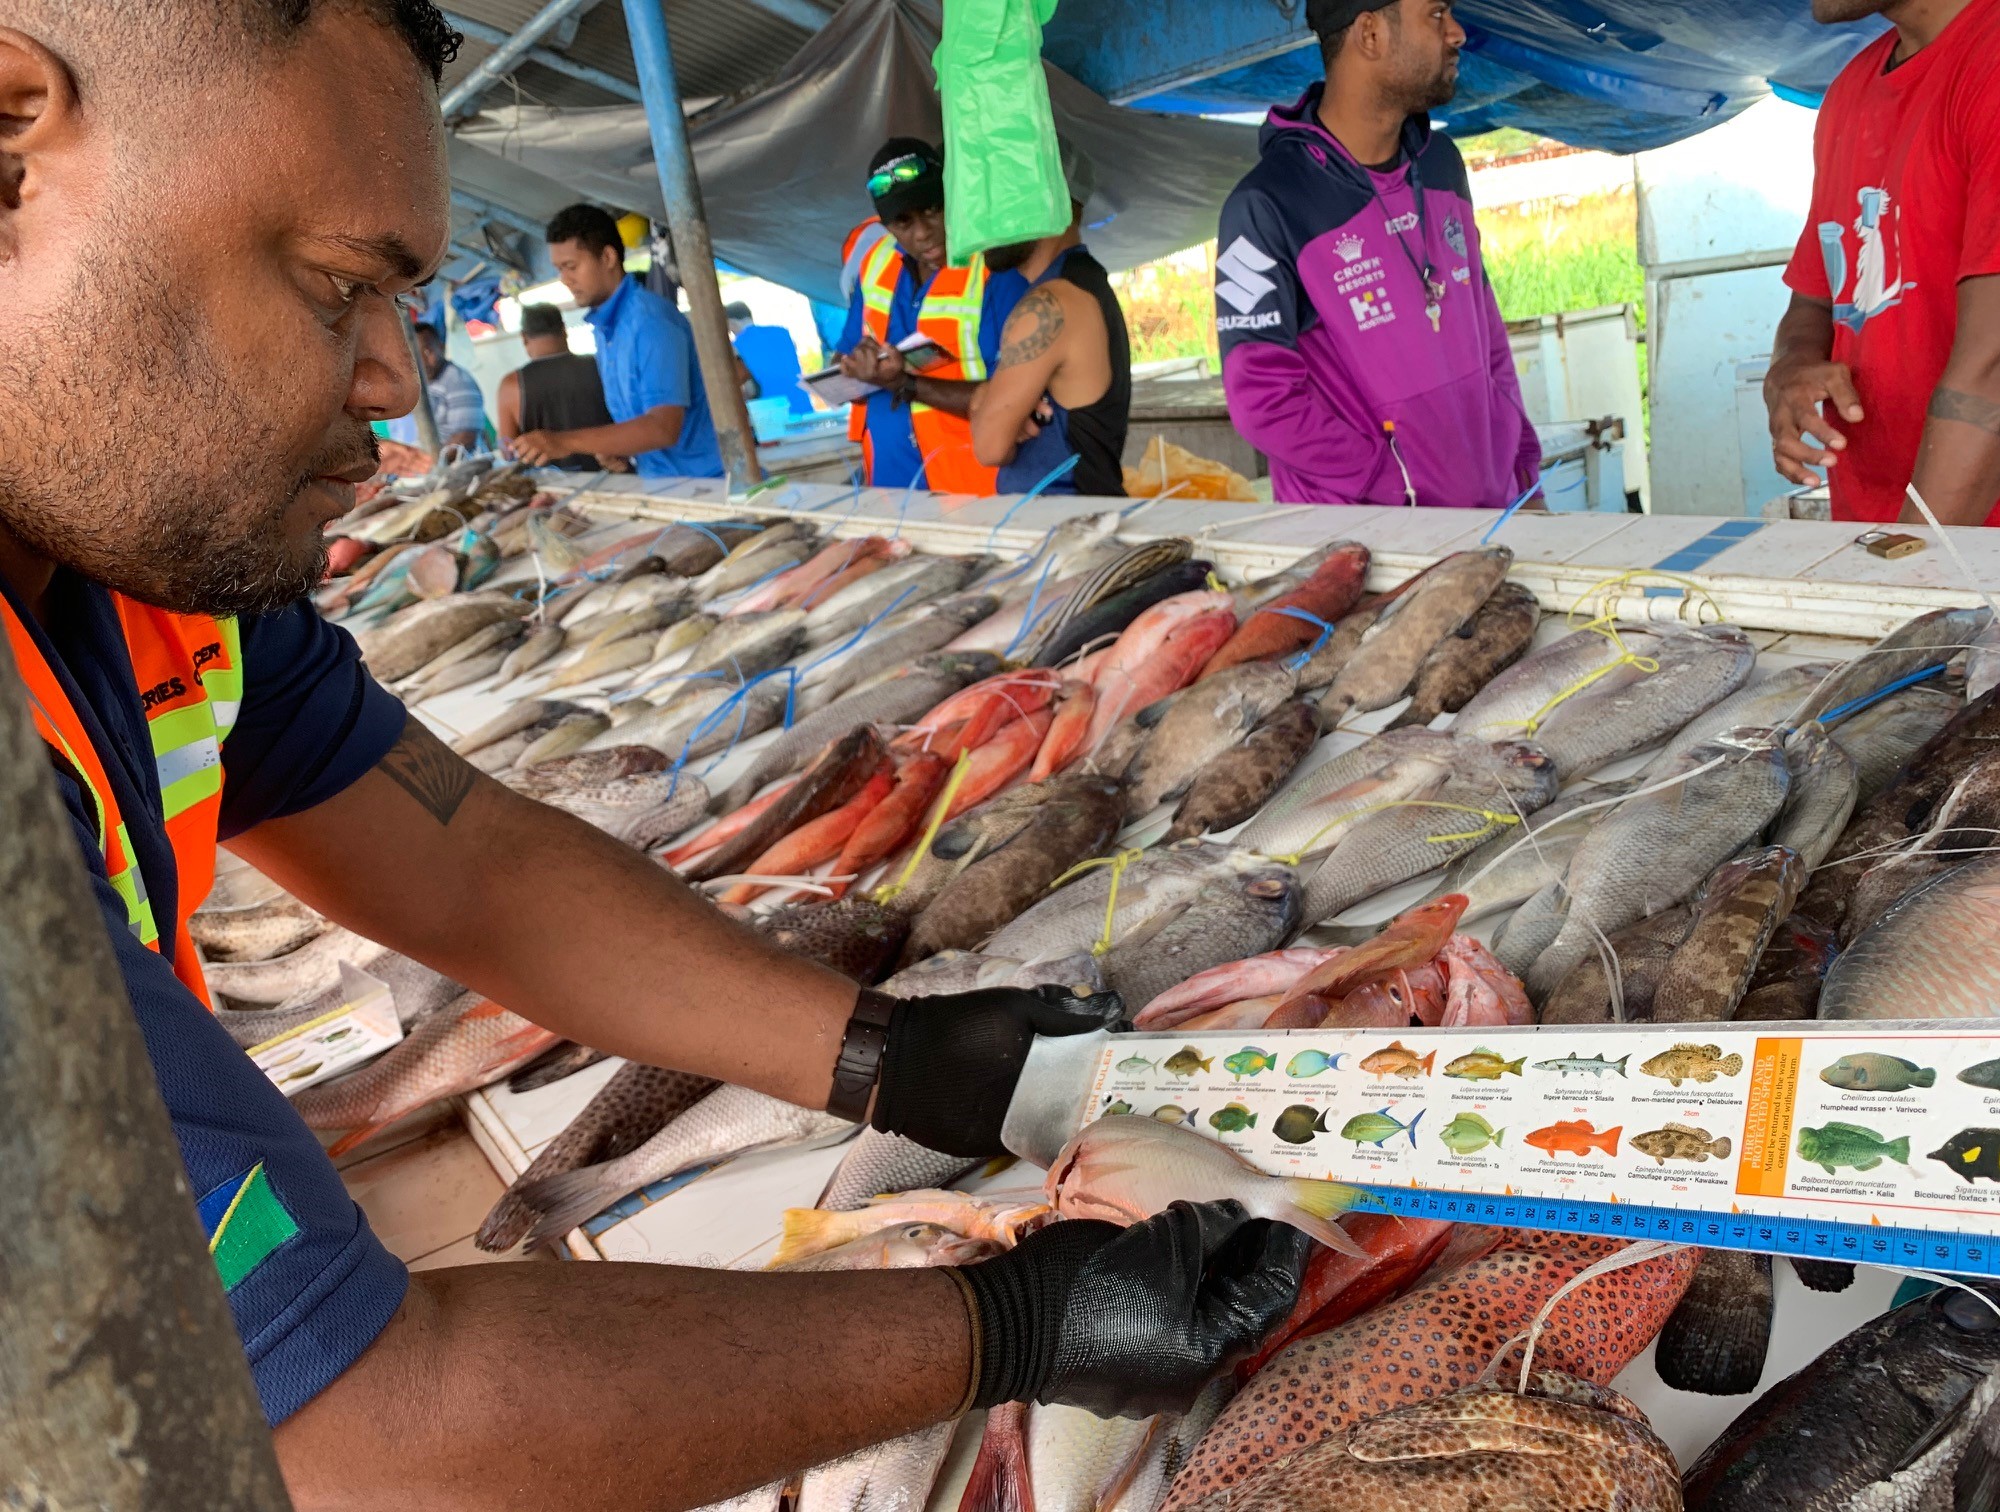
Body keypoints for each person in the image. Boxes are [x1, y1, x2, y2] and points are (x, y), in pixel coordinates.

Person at [0, 5, 1311, 1505]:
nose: (389, 378)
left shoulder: (133, 576)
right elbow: (370, 1433)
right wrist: (1015, 1318)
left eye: (402, 302)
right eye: (336, 285)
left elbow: (466, 858)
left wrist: (887, 1057)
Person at [1213, 0, 1540, 510]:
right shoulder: (1268, 205)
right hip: (1371, 550)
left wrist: (1523, 469)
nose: (1456, 33)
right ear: (1370, 34)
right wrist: (1389, 480)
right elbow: (1262, 399)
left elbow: (1486, 332)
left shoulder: (1441, 165)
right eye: (1435, 14)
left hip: (1490, 518)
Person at [1764, 0, 2000, 527]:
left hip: (1985, 566)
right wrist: (1790, 365)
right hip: (1885, 541)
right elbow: (1816, 298)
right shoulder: (1850, 90)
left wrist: (1910, 579)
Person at [836, 137, 1030, 492]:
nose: (923, 232)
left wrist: (903, 384)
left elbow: (1018, 398)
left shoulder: (996, 269)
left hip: (978, 490)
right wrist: (855, 368)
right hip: (893, 488)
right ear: (887, 226)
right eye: (903, 222)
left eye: (933, 209)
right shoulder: (875, 264)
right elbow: (843, 354)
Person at [969, 139, 1133, 497]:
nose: (983, 220)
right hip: (1073, 519)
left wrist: (986, 403)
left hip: (1066, 524)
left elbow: (989, 447)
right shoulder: (1082, 282)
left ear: (1050, 200)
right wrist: (987, 397)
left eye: (1002, 201)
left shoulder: (1049, 303)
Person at [512, 203, 723, 479]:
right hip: (662, 483)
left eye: (571, 266)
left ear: (608, 257)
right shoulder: (604, 329)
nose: (565, 279)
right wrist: (623, 451)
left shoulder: (650, 322)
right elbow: (644, 425)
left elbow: (663, 428)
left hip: (707, 485)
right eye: (559, 269)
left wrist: (562, 442)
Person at [496, 301, 612, 472]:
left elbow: (508, 451)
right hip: (614, 475)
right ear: (564, 330)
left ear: (524, 337)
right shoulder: (601, 365)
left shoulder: (512, 384)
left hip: (551, 488)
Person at [383, 320, 486, 454]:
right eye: (414, 354)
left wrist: (430, 465)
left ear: (442, 347)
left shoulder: (459, 381)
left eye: (427, 351)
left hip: (453, 467)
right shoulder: (408, 384)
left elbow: (466, 437)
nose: (422, 360)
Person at [727, 300, 813, 415]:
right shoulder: (782, 333)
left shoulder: (736, 347)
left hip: (772, 414)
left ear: (731, 323)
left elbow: (749, 390)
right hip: (804, 406)